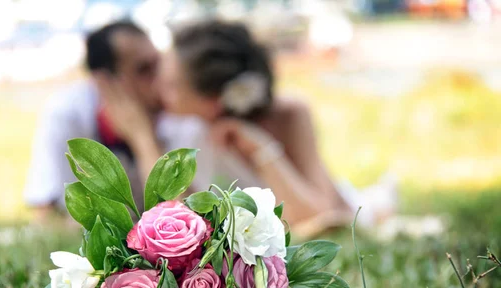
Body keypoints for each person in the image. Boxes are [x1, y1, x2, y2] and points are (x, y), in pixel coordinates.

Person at [102, 20, 377, 236]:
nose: (158, 88)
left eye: (172, 86)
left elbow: (321, 220)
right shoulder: (182, 132)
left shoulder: (290, 114)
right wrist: (143, 139)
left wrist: (261, 149)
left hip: (345, 207)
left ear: (212, 102)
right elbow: (175, 219)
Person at [24, 20, 165, 221]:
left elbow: (180, 218)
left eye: (159, 65)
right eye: (144, 70)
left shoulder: (177, 112)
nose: (160, 79)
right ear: (105, 82)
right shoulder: (67, 113)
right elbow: (47, 213)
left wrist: (143, 139)